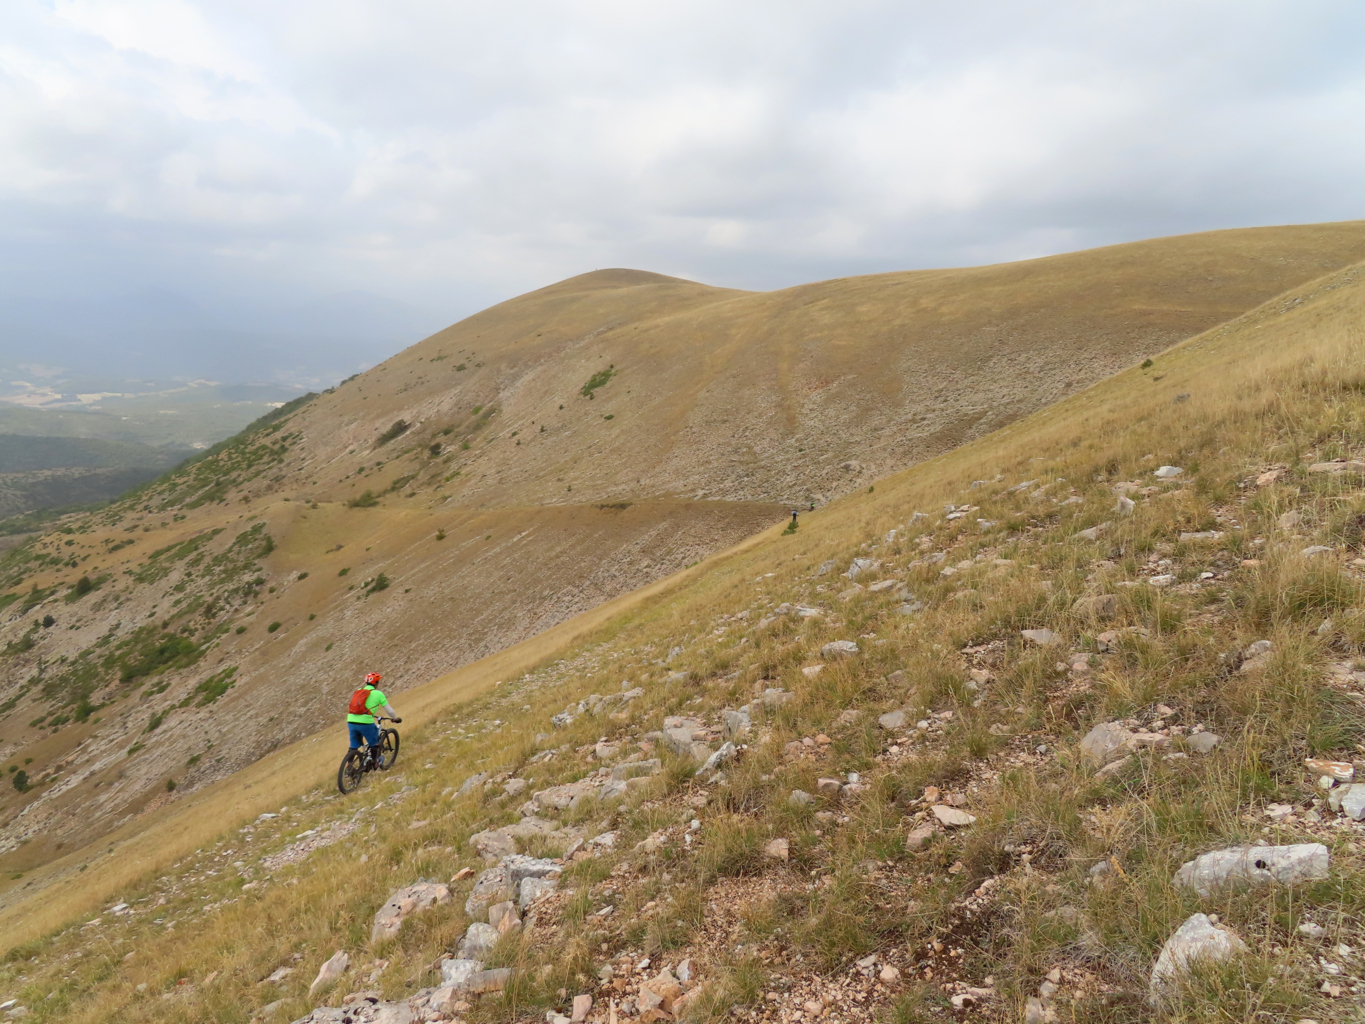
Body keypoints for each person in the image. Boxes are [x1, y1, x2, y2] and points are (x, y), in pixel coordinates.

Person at [347, 672, 401, 767]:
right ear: (376, 683)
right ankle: (375, 762)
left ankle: (349, 768)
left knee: (353, 745)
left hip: (351, 721)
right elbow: (389, 710)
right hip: (365, 722)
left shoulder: (359, 691)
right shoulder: (378, 694)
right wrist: (395, 718)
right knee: (374, 744)